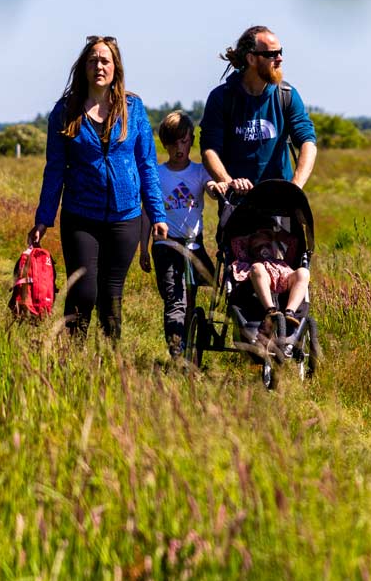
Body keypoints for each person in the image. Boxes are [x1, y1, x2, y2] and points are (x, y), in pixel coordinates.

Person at [28, 35, 169, 340]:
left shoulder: (133, 108)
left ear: (116, 68)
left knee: (111, 294)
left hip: (125, 216)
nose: (99, 66)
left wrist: (157, 214)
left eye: (105, 60)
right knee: (84, 290)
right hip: (81, 215)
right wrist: (43, 218)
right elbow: (54, 170)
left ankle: (110, 362)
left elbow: (147, 164)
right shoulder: (65, 111)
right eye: (93, 60)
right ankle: (70, 358)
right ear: (83, 67)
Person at [200, 25, 318, 196]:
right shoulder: (222, 98)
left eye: (280, 52)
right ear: (252, 59)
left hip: (280, 203)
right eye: (272, 54)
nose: (280, 59)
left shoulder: (286, 95)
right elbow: (209, 150)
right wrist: (228, 182)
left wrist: (295, 187)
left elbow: (308, 141)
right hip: (237, 205)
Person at [145, 111, 216, 357]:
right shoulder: (156, 174)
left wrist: (215, 187)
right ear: (164, 143)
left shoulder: (199, 171)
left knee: (191, 298)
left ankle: (189, 347)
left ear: (192, 141)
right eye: (174, 142)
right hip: (166, 245)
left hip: (194, 246)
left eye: (184, 141)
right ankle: (177, 353)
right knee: (176, 300)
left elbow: (210, 187)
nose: (179, 147)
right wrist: (145, 249)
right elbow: (149, 213)